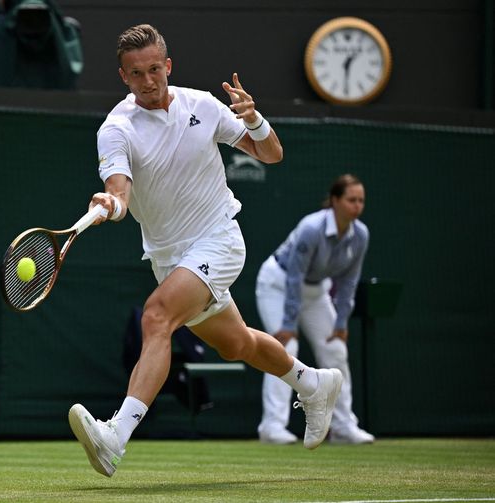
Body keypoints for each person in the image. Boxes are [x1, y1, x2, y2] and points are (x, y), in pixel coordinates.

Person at [67, 24, 343, 478]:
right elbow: (120, 192)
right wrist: (109, 203)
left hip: (219, 238)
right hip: (169, 258)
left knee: (157, 316)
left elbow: (271, 153)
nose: (148, 80)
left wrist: (254, 119)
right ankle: (312, 382)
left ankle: (116, 435)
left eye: (155, 69)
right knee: (237, 343)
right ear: (124, 77)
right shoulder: (116, 128)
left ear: (168, 66)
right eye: (137, 74)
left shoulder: (203, 106)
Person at [255, 174, 375, 445]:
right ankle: (271, 427)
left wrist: (341, 323)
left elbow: (349, 281)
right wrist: (288, 324)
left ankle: (344, 427)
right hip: (278, 284)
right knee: (285, 349)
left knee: (335, 349)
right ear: (334, 201)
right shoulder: (311, 228)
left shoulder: (361, 235)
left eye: (361, 201)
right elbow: (294, 277)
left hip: (316, 291)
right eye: (351, 200)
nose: (357, 206)